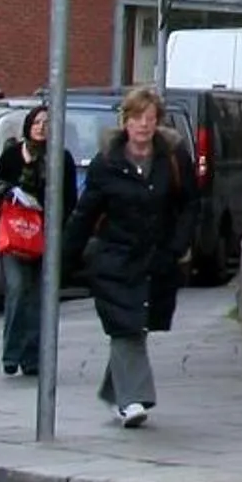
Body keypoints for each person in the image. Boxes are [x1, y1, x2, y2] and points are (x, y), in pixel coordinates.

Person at [63, 86, 195, 428]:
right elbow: (85, 214)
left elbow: (190, 206)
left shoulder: (173, 159)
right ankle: (133, 399)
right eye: (137, 118)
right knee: (127, 326)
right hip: (115, 260)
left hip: (155, 262)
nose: (143, 125)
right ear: (125, 121)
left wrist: (177, 247)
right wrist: (64, 259)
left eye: (150, 119)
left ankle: (115, 391)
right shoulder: (107, 163)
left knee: (136, 324)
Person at [0, 103, 76, 378]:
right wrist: (12, 195)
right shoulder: (12, 155)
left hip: (44, 237)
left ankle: (32, 357)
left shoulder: (62, 158)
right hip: (13, 235)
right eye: (37, 122)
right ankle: (11, 354)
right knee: (16, 289)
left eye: (47, 123)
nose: (41, 127)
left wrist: (52, 220)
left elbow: (70, 199)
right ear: (28, 125)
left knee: (38, 297)